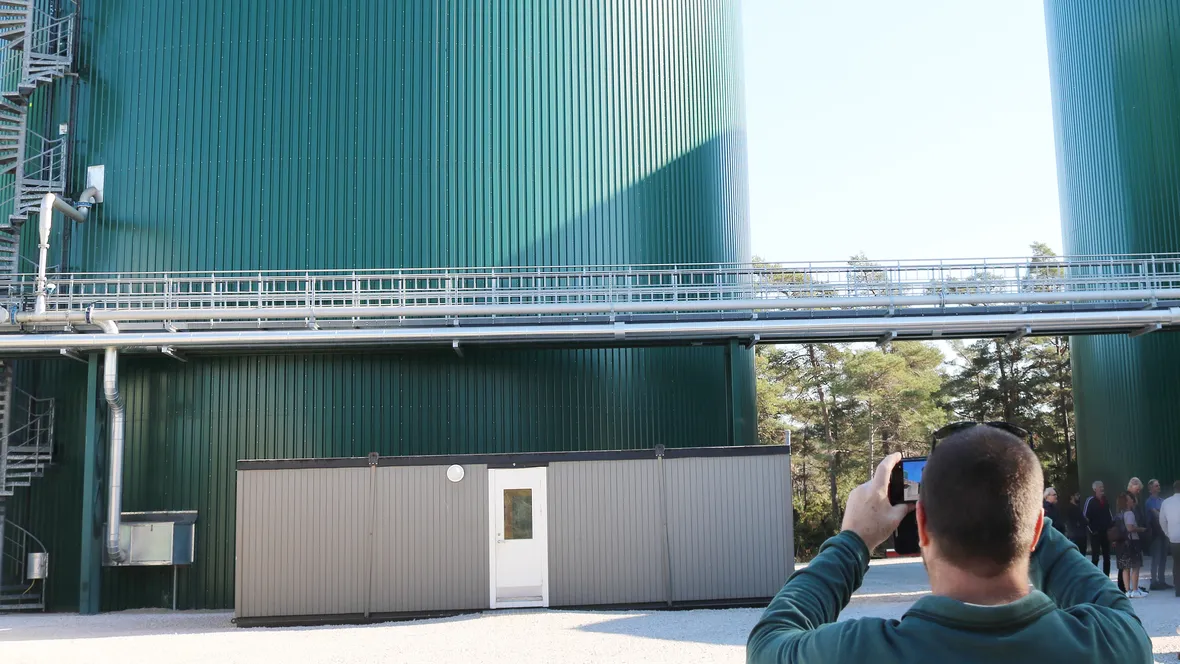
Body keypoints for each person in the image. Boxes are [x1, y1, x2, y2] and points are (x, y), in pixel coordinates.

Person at [746, 426, 1152, 663]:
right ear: (1036, 530)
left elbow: (769, 641)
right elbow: (1111, 604)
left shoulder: (859, 652)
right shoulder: (1113, 645)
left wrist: (853, 540)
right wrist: (1020, 509)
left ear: (921, 524)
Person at [1115, 491, 1147, 598]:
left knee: (1125, 568)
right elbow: (1130, 528)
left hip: (1122, 543)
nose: (1132, 500)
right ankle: (1135, 589)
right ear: (1126, 502)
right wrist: (1141, 529)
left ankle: (1128, 590)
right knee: (1135, 566)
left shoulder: (1119, 514)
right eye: (1129, 499)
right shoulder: (1129, 513)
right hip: (1132, 542)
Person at [1083, 480, 1113, 580]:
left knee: (1107, 557)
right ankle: (1094, 579)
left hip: (1105, 533)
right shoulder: (1090, 501)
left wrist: (1111, 529)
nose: (1102, 488)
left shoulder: (1105, 500)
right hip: (1095, 534)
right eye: (1100, 487)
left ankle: (1106, 578)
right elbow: (1085, 518)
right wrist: (1092, 530)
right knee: (1095, 557)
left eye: (1102, 486)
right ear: (1094, 489)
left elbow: (1110, 516)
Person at [1145, 479, 1170, 591]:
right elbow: (1157, 515)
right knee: (1156, 557)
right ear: (1150, 489)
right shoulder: (1149, 501)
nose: (1158, 487)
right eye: (1156, 486)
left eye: (1158, 485)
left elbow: (1164, 514)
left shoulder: (1163, 501)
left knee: (1163, 557)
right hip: (1155, 533)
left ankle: (1162, 580)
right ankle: (1154, 581)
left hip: (1164, 531)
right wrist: (1162, 514)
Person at [1125, 477, 1149, 594]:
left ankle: (1131, 588)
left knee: (1129, 564)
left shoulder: (1134, 500)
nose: (1139, 492)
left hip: (1133, 535)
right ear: (1132, 485)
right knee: (1132, 564)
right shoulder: (1128, 500)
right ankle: (1131, 589)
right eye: (1138, 489)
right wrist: (1140, 528)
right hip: (1131, 536)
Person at [1159, 480, 1180, 597]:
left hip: (1174, 538)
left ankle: (1178, 589)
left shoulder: (1166, 502)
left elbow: (1162, 520)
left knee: (1177, 564)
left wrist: (1168, 533)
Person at [1064, 492, 1089, 556]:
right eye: (1077, 495)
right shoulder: (1071, 508)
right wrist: (1084, 520)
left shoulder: (1076, 508)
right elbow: (1082, 521)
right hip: (1076, 536)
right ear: (1072, 497)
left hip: (1080, 535)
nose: (1079, 497)